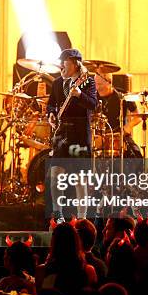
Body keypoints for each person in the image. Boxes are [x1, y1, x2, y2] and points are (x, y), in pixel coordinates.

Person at [46, 49, 98, 223]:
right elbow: (51, 104)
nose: (62, 65)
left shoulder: (87, 82)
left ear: (75, 64)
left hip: (79, 133)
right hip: (62, 133)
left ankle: (82, 218)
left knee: (80, 179)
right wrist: (51, 114)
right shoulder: (57, 83)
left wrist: (79, 94)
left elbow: (93, 104)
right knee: (55, 175)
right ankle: (57, 213)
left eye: (65, 62)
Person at [94, 72, 142, 157]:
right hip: (98, 136)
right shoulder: (92, 96)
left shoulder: (123, 95)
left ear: (109, 82)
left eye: (100, 84)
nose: (97, 87)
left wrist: (128, 127)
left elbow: (138, 117)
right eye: (96, 84)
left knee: (136, 154)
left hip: (119, 135)